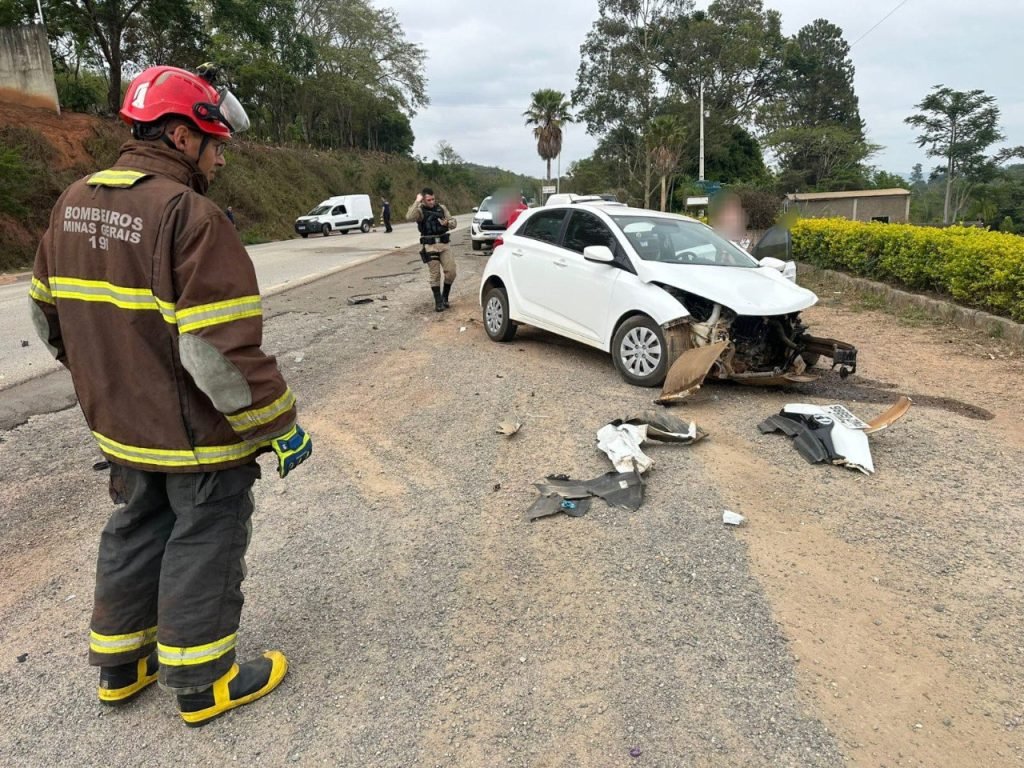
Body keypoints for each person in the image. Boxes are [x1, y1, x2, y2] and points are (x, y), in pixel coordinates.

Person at [28, 65, 312, 727]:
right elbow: (217, 352)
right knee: (205, 535)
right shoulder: (190, 216)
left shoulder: (71, 203)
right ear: (181, 136)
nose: (220, 159)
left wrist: (106, 378)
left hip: (119, 426)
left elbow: (45, 317)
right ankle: (203, 683)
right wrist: (279, 425)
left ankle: (122, 669)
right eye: (214, 144)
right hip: (194, 436)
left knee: (136, 527)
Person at [406, 187, 457, 311]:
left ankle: (445, 297)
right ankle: (438, 302)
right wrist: (417, 201)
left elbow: (453, 222)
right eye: (428, 200)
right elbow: (409, 217)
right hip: (430, 246)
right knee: (435, 274)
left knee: (451, 272)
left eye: (433, 199)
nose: (432, 202)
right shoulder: (419, 210)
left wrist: (447, 223)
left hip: (444, 244)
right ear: (423, 200)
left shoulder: (441, 208)